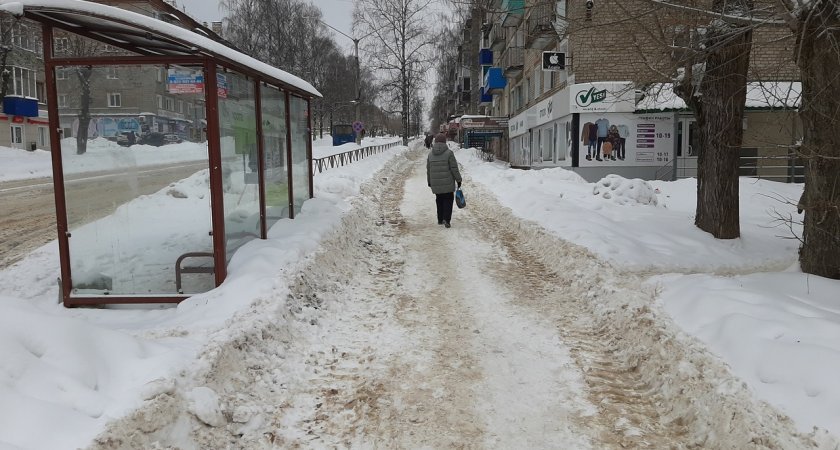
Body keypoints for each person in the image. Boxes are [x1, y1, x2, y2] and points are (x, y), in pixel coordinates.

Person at [427, 133, 462, 228]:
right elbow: (454, 168)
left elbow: (428, 170)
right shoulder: (449, 153)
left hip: (436, 183)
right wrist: (459, 180)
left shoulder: (430, 154)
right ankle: (447, 219)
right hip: (448, 183)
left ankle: (440, 219)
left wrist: (429, 181)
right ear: (444, 142)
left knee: (439, 200)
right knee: (448, 200)